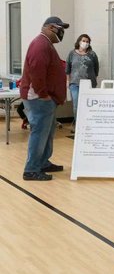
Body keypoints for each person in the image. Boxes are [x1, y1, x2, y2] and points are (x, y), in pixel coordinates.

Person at [20, 16, 69, 181]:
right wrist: (43, 94)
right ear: (50, 28)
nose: (61, 32)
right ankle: (32, 169)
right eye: (60, 28)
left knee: (46, 133)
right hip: (39, 99)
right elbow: (36, 71)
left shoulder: (46, 44)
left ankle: (42, 162)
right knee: (40, 133)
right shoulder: (40, 45)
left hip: (46, 99)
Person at [66, 34, 99, 131]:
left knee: (88, 105)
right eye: (84, 40)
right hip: (75, 83)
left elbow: (96, 69)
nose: (85, 43)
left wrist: (93, 79)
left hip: (89, 84)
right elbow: (67, 68)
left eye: (87, 41)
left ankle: (88, 125)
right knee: (76, 105)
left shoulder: (92, 54)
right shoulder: (72, 54)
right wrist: (68, 81)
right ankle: (78, 125)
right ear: (79, 41)